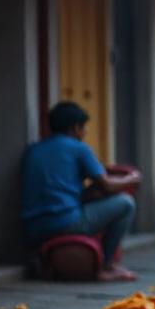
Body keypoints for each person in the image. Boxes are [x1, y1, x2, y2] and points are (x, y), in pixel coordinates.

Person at [21, 102, 141, 282]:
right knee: (125, 203)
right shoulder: (78, 148)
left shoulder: (34, 149)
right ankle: (107, 265)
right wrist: (132, 178)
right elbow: (106, 185)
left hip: (33, 228)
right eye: (84, 128)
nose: (84, 133)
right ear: (76, 127)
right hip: (66, 223)